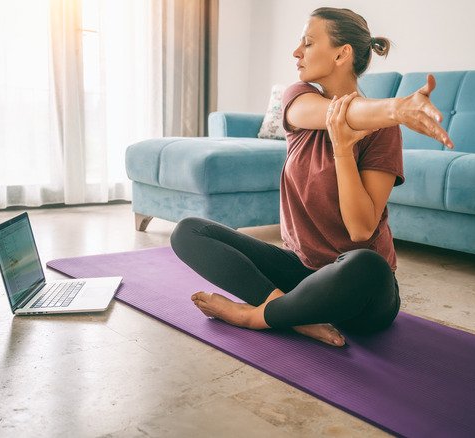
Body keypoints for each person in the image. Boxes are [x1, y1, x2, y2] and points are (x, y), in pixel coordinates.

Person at [170, 7, 453, 347]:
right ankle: (289, 312)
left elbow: (361, 229)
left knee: (367, 264)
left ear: (341, 53)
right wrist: (396, 108)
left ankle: (255, 316)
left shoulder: (383, 133)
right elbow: (340, 113)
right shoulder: (299, 97)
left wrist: (345, 151)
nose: (296, 52)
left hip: (357, 290)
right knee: (189, 231)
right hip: (300, 272)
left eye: (307, 42)